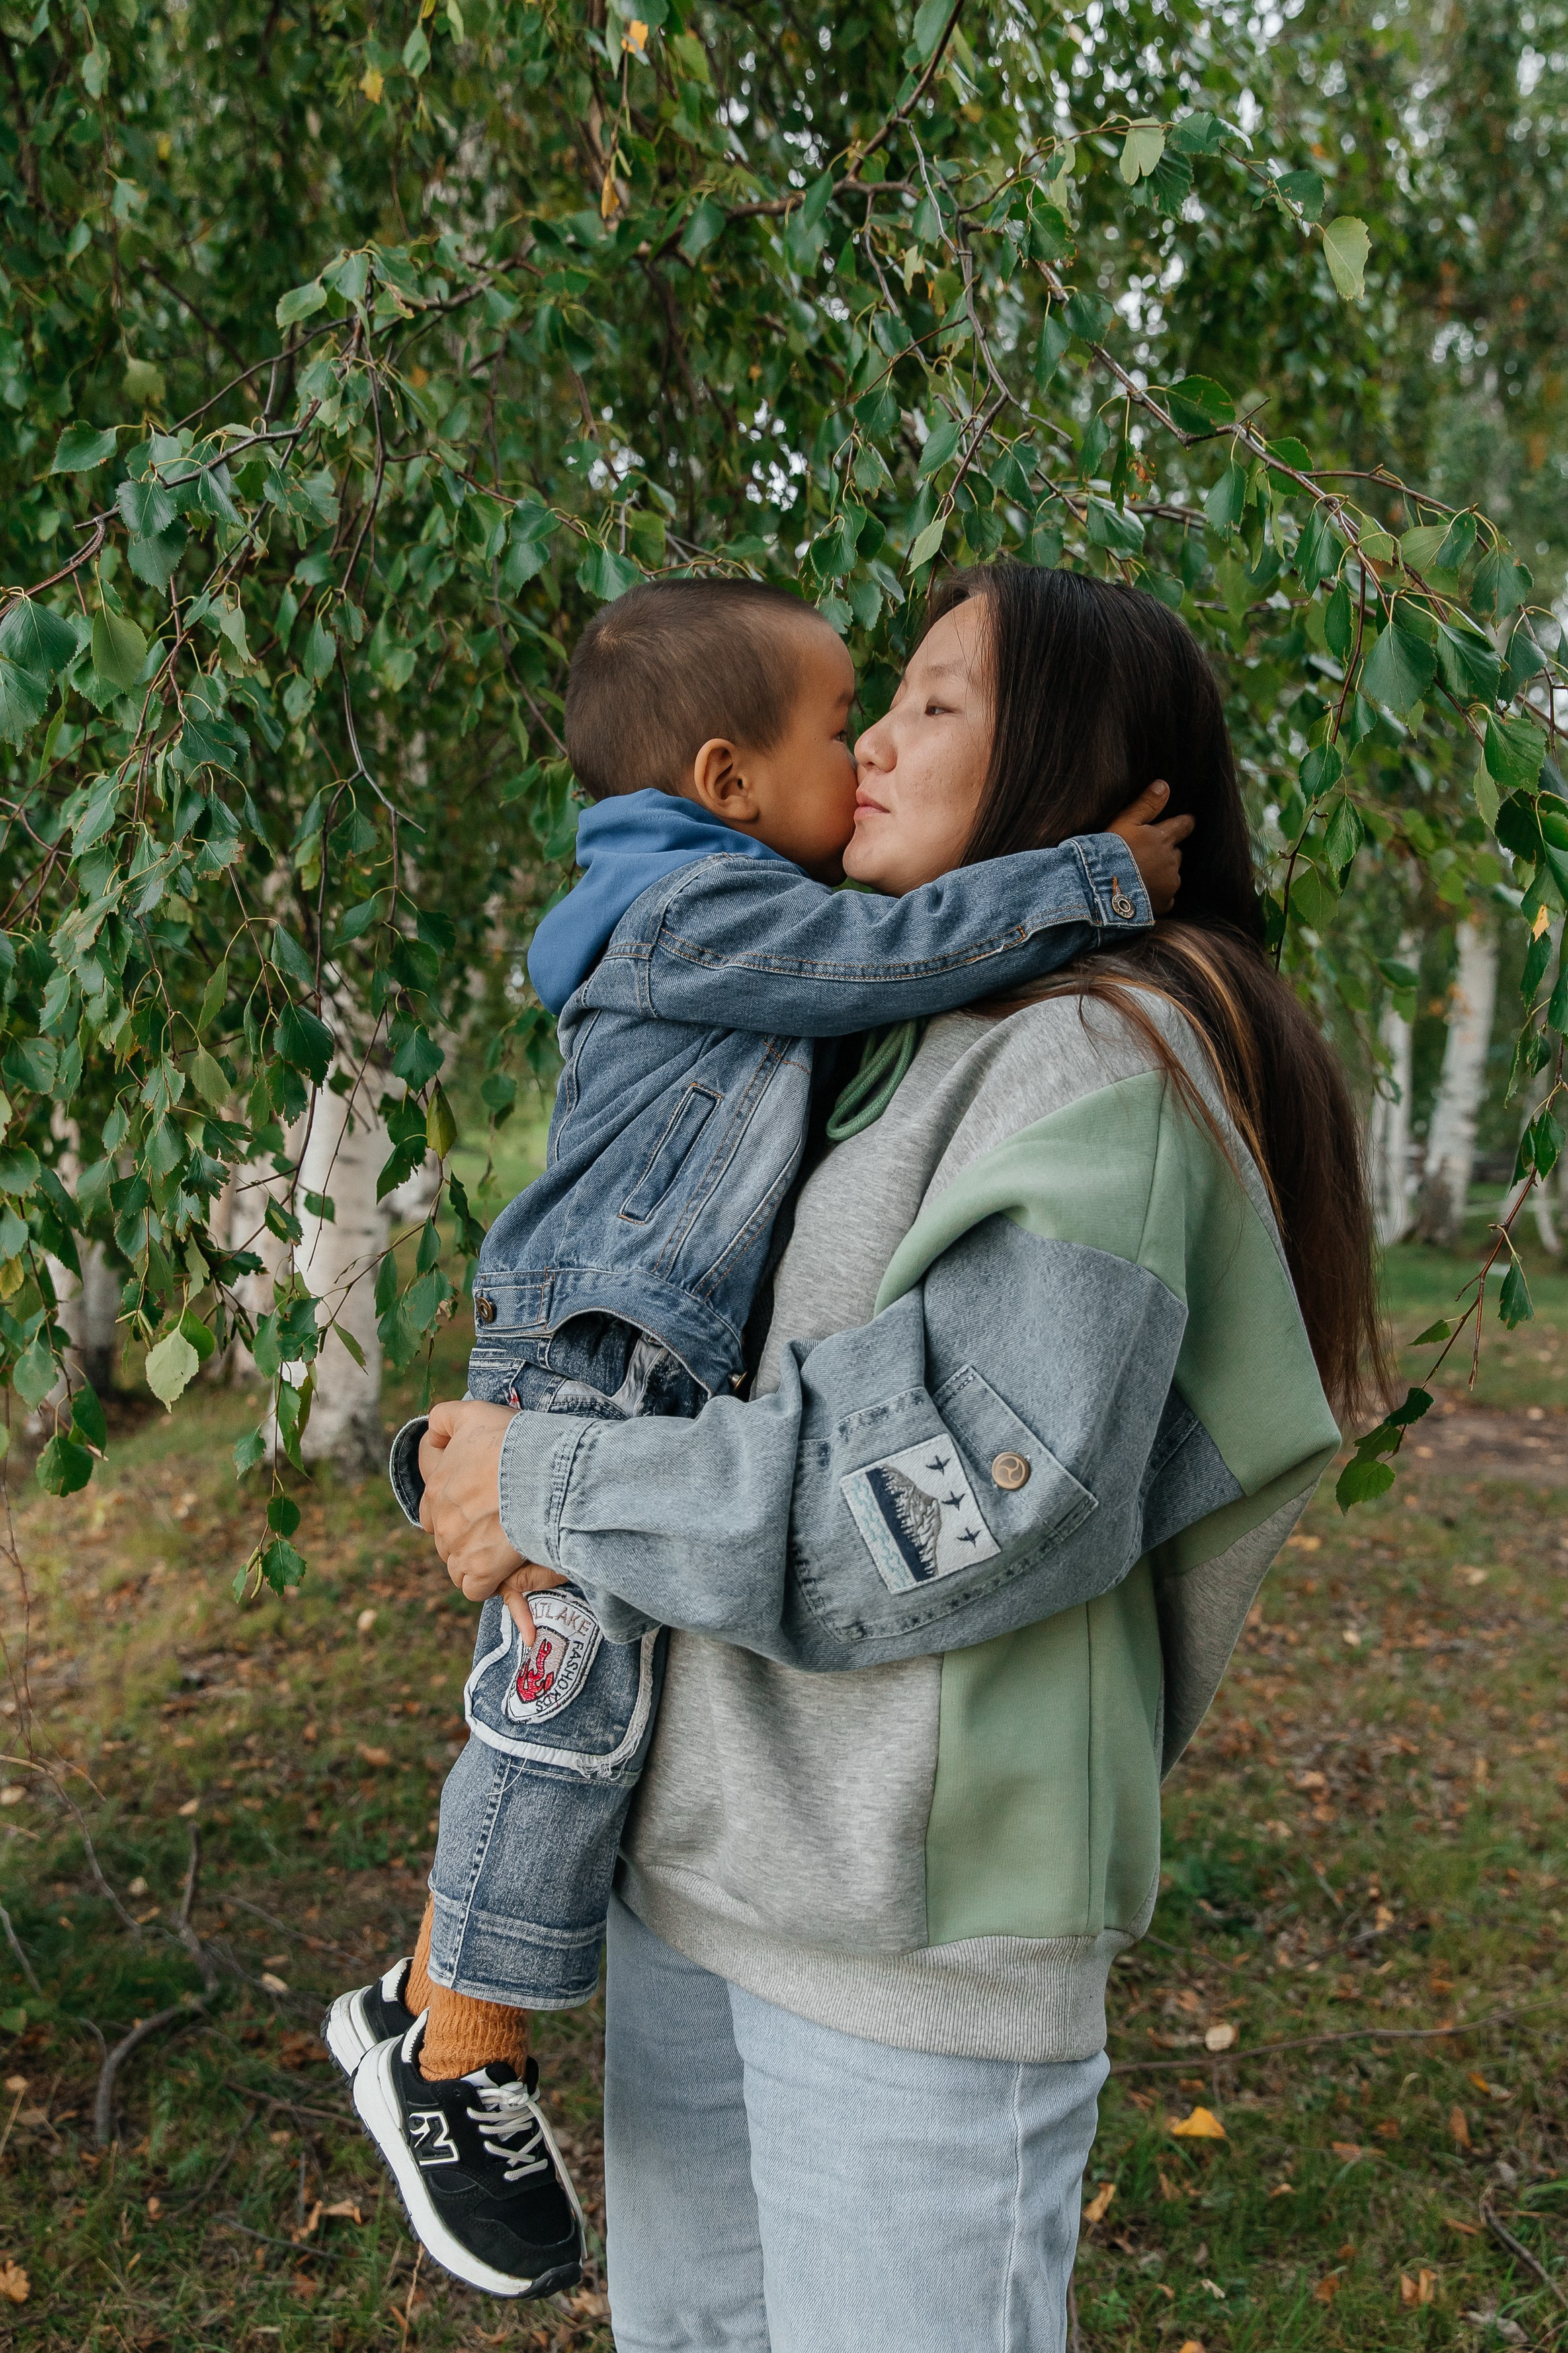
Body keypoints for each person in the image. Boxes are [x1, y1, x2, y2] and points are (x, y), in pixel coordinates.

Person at [417, 563, 1385, 2353]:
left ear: (1071, 768)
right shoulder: (873, 1040)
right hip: (703, 1886)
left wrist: (551, 1483)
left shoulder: (1096, 1064)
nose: (867, 740)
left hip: (903, 1949)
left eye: (933, 703)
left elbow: (947, 1508)